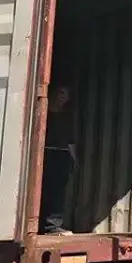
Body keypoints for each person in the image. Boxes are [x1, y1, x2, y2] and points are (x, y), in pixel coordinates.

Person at [40, 85, 77, 235]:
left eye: (66, 95)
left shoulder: (66, 117)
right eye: (61, 93)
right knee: (43, 190)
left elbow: (70, 141)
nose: (63, 97)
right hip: (46, 153)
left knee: (57, 193)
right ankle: (40, 225)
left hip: (61, 156)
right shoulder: (43, 113)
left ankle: (53, 227)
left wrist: (74, 160)